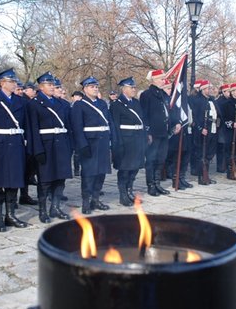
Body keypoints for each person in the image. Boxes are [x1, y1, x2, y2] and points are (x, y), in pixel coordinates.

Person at [0, 69, 28, 232]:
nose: (14, 83)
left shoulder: (20, 101)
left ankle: (10, 215)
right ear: (2, 83)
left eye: (15, 81)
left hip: (16, 145)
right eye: (11, 81)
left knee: (13, 183)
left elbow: (25, 126)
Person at [27, 72, 72, 222]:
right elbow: (33, 129)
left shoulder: (61, 103)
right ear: (40, 87)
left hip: (61, 145)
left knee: (60, 178)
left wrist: (69, 145)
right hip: (45, 146)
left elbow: (68, 126)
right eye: (49, 84)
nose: (53, 87)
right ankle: (43, 210)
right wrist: (37, 150)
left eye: (54, 84)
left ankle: (55, 207)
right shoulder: (34, 104)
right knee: (45, 181)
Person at [71, 76, 113, 214]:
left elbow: (108, 122)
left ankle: (96, 200)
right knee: (89, 174)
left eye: (96, 86)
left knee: (101, 173)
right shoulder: (79, 105)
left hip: (102, 143)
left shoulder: (102, 103)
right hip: (89, 143)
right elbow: (77, 127)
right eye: (91, 87)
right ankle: (85, 202)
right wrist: (82, 145)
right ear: (84, 89)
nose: (95, 89)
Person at [140, 69, 179, 196]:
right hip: (153, 133)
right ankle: (151, 185)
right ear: (154, 80)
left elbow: (169, 111)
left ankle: (157, 183)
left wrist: (176, 122)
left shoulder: (163, 94)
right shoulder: (147, 95)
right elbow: (144, 115)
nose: (164, 81)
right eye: (161, 79)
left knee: (161, 159)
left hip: (164, 132)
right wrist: (147, 132)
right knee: (151, 160)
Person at [110, 77, 147, 205]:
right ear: (123, 89)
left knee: (135, 168)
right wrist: (117, 143)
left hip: (138, 139)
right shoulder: (116, 104)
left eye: (134, 87)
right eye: (131, 87)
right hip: (125, 141)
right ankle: (123, 195)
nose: (134, 89)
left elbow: (142, 120)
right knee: (125, 169)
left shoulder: (136, 103)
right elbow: (115, 126)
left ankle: (130, 190)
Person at [191, 80, 219, 184]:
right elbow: (194, 117)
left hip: (212, 128)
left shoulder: (212, 100)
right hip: (202, 130)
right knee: (201, 154)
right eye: (207, 88)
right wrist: (200, 128)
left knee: (209, 153)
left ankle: (206, 174)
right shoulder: (197, 101)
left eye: (210, 88)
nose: (209, 90)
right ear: (202, 89)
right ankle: (201, 176)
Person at [221, 83, 236, 180]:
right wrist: (230, 124)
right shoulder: (227, 104)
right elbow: (223, 118)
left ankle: (235, 170)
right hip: (229, 132)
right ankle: (230, 172)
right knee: (230, 152)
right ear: (232, 92)